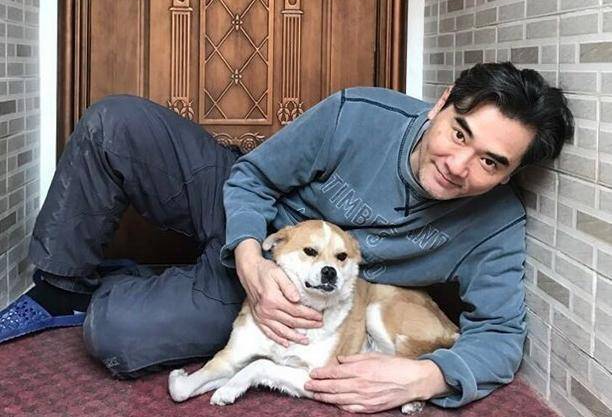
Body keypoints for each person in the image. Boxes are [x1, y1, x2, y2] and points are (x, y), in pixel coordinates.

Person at [0, 62, 573, 412]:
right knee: (116, 122)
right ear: (440, 105)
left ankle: (143, 284)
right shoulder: (359, 113)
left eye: (491, 162)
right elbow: (253, 178)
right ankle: (59, 290)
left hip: (302, 301)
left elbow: (501, 335)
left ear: (510, 174)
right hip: (250, 222)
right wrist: (251, 260)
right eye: (459, 133)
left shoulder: (495, 225)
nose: (457, 164)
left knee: (115, 335)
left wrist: (428, 376)